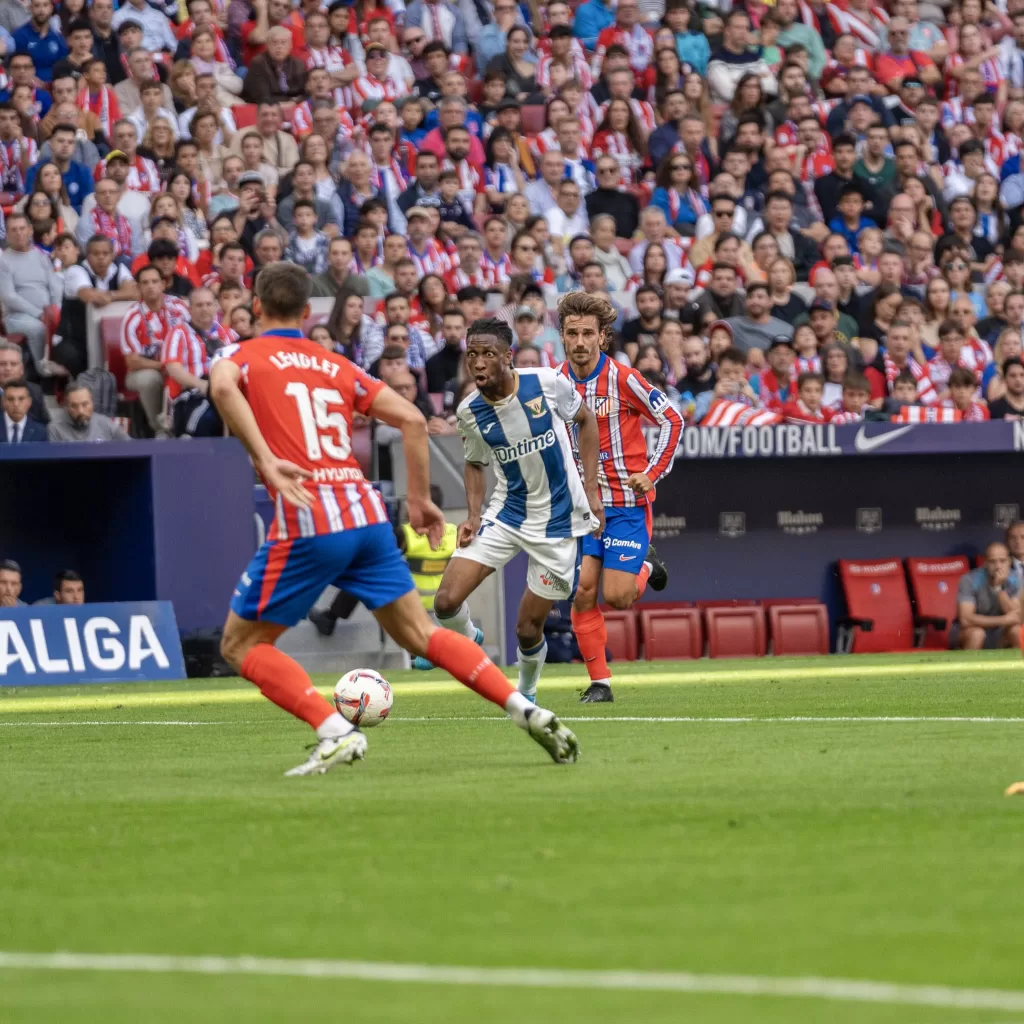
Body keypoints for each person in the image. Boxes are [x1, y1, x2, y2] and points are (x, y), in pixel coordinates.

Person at [209, 264, 579, 774]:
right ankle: (526, 708)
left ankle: (334, 729)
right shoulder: (333, 363)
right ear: (304, 313)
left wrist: (266, 459)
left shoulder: (241, 354)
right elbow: (410, 416)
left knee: (240, 643)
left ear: (255, 307)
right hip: (365, 514)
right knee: (421, 634)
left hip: (309, 514)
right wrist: (421, 500)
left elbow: (223, 388)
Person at [410, 308, 602, 703]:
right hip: (507, 512)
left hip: (559, 522)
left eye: (488, 354)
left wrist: (591, 488)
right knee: (445, 603)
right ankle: (469, 638)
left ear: (508, 355)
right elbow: (475, 463)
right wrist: (473, 516)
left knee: (527, 629)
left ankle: (526, 692)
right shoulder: (469, 412)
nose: (479, 363)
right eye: (472, 355)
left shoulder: (546, 383)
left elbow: (586, 421)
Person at [558, 293, 681, 703]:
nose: (579, 341)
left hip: (626, 506)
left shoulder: (624, 378)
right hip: (584, 508)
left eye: (587, 334)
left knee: (618, 596)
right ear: (562, 337)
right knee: (583, 591)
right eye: (572, 333)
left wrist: (651, 473)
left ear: (603, 338)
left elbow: (672, 418)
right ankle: (600, 683)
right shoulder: (554, 382)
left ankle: (647, 565)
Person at [54, 234, 137, 377]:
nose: (101, 258)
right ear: (87, 255)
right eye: (95, 254)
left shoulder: (119, 268)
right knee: (78, 361)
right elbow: (92, 297)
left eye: (105, 253)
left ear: (112, 255)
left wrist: (111, 296)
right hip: (72, 339)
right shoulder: (76, 270)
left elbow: (136, 293)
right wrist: (121, 293)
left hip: (107, 338)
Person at [0, 212, 62, 370]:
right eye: (13, 230)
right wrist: (39, 313)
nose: (19, 233)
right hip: (16, 317)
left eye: (22, 228)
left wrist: (56, 308)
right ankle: (43, 370)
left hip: (47, 312)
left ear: (30, 230)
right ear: (6, 234)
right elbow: (9, 297)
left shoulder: (41, 255)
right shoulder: (3, 261)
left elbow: (54, 286)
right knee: (37, 328)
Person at [953, 543, 1021, 650]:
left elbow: (1016, 616)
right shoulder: (969, 580)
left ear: (1009, 562)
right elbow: (965, 619)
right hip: (969, 632)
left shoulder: (1016, 580)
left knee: (1017, 631)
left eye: (1002, 561)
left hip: (999, 633)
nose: (998, 566)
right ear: (985, 563)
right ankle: (969, 666)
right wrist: (1003, 620)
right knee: (977, 634)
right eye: (992, 561)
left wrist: (999, 589)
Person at [48, 379, 131, 441]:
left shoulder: (106, 423)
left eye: (84, 404)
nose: (80, 411)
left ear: (92, 402)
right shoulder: (56, 428)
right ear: (66, 406)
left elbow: (133, 447)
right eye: (74, 406)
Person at [0, 377, 48, 442]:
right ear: (3, 402)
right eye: (10, 399)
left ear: (29, 402)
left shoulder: (40, 432)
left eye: (21, 399)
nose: (16, 404)